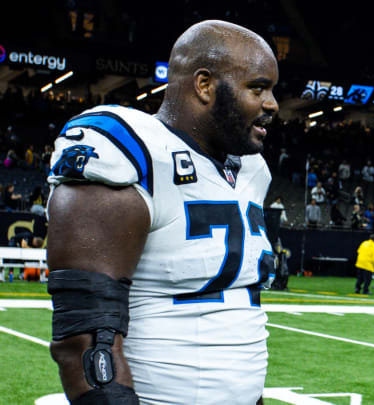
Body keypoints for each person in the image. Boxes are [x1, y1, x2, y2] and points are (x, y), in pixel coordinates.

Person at [46, 20, 279, 405]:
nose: (272, 104)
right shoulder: (129, 152)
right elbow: (86, 341)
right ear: (204, 86)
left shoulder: (252, 170)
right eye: (258, 87)